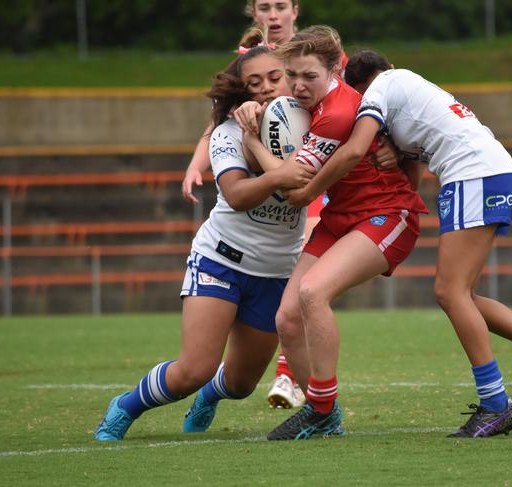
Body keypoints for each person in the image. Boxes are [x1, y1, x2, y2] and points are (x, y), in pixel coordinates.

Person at [284, 48, 512, 438]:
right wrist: (394, 154)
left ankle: (496, 404)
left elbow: (356, 148)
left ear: (359, 87)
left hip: (474, 176)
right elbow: (409, 177)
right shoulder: (405, 87)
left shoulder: (378, 90)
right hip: (486, 174)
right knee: (462, 294)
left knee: (450, 292)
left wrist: (310, 189)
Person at [182, 0, 396, 411]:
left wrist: (383, 142)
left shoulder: (317, 57)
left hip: (316, 172)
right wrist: (199, 159)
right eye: (266, 7)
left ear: (295, 12)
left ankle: (289, 372)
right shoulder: (248, 65)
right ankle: (289, 373)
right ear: (254, 14)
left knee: (307, 273)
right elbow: (220, 117)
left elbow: (354, 105)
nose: (274, 15)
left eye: (281, 6)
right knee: (302, 285)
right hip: (280, 184)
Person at [94, 45, 316, 441]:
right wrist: (259, 155)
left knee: (242, 383)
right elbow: (237, 194)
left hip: (276, 271)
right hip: (221, 260)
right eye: (254, 82)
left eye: (274, 77)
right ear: (242, 92)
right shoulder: (228, 132)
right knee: (193, 370)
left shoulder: (314, 124)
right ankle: (125, 406)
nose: (266, 88)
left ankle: (210, 397)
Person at [236, 26, 428, 440]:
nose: (298, 86)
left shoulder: (340, 112)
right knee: (287, 319)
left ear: (335, 69)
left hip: (386, 214)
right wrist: (254, 109)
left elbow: (293, 190)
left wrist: (252, 143)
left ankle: (320, 410)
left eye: (309, 76)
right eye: (292, 75)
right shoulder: (303, 104)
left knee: (312, 293)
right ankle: (328, 414)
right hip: (342, 218)